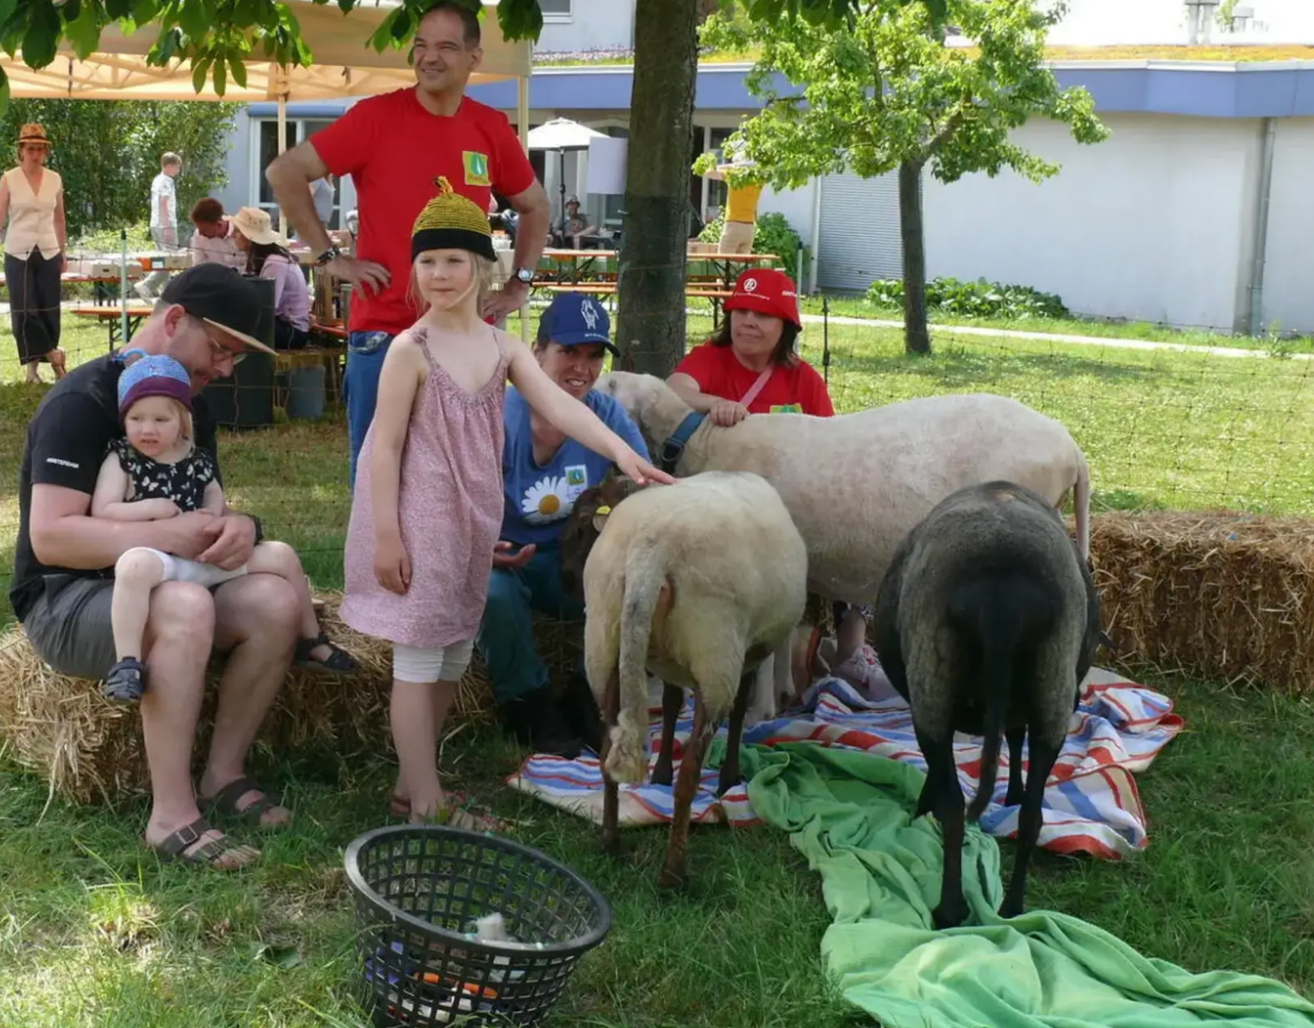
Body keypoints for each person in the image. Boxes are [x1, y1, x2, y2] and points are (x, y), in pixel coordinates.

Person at [338, 180, 673, 824]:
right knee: (418, 658)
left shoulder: (503, 347)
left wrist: (625, 454)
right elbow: (384, 448)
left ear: (483, 268)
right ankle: (428, 805)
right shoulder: (410, 349)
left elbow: (562, 408)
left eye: (453, 260)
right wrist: (386, 534)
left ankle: (413, 784)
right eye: (427, 261)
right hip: (417, 518)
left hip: (471, 518)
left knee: (453, 654)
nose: (439, 273)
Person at [10, 263, 303, 870]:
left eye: (235, 358)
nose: (226, 369)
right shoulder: (80, 402)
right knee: (185, 605)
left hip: (164, 578)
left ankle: (223, 774)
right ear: (174, 321)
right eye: (220, 349)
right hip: (68, 599)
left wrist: (240, 527)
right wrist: (165, 534)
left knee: (276, 601)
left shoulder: (189, 408)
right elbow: (52, 538)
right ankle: (171, 815)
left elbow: (204, 506)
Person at [265, 1, 552, 489]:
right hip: (384, 329)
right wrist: (330, 257)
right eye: (421, 45)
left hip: (465, 335)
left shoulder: (488, 127)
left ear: (474, 57)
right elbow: (284, 172)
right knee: (379, 477)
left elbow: (536, 206)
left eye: (446, 47)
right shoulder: (375, 117)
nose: (429, 57)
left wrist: (520, 283)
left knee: (465, 477)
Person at [92, 351, 357, 703]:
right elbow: (103, 510)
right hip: (161, 562)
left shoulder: (196, 458)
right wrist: (150, 508)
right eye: (136, 418)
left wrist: (214, 518)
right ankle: (127, 663)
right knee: (131, 567)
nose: (147, 429)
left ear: (183, 421)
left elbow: (214, 494)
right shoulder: (122, 459)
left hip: (204, 559)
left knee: (282, 555)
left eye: (160, 419)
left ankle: (311, 640)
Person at [476, 292, 647, 755]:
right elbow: (458, 501)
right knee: (493, 594)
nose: (581, 368)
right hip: (502, 559)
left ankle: (586, 693)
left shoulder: (606, 414)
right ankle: (528, 704)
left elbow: (642, 484)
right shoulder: (497, 415)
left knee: (637, 584)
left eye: (593, 356)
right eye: (568, 351)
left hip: (573, 560)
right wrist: (480, 546)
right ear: (536, 352)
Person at [668, 268, 835, 425]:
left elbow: (828, 437)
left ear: (785, 326)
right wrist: (717, 404)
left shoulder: (805, 380)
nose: (748, 322)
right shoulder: (708, 359)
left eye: (763, 314)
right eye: (741, 311)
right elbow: (672, 390)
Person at [0, 122, 67, 384]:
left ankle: (34, 371)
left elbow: (59, 218)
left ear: (45, 152)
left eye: (40, 149)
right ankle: (53, 357)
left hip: (49, 251)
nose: (35, 154)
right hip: (18, 251)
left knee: (48, 309)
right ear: (21, 150)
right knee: (25, 310)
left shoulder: (54, 179)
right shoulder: (9, 179)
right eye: (31, 149)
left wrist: (63, 251)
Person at [228, 206, 312, 350]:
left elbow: (269, 307)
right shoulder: (266, 259)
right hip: (281, 324)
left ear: (248, 237)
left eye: (237, 231)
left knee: (234, 326)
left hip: (292, 332)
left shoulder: (275, 262)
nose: (231, 235)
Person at [137, 151, 184, 300]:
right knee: (170, 260)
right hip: (165, 225)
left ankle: (166, 295)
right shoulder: (167, 181)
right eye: (177, 167)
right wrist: (167, 225)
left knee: (162, 260)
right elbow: (164, 202)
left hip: (155, 224)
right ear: (169, 166)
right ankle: (147, 285)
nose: (178, 170)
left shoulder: (157, 179)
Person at [703, 153, 763, 255]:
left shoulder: (733, 175)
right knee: (742, 263)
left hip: (733, 224)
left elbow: (708, 172)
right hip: (749, 227)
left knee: (723, 260)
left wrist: (727, 167)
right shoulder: (759, 179)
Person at [188, 198, 246, 270]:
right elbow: (198, 267)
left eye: (204, 230)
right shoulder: (198, 236)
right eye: (198, 228)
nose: (200, 233)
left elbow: (250, 267)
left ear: (219, 225)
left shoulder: (243, 233)